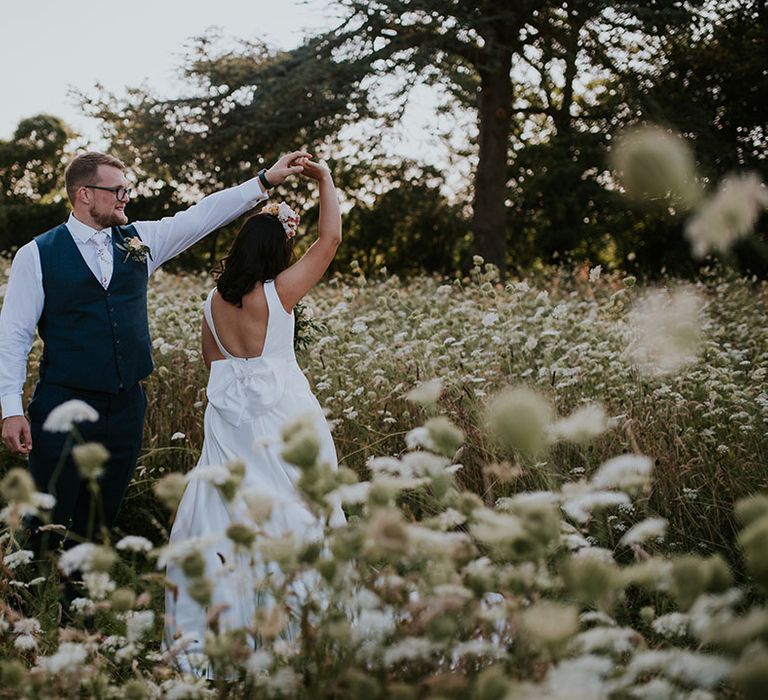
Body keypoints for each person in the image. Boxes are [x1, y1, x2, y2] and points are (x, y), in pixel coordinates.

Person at [0, 150, 309, 561]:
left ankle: (85, 607)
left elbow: (200, 216)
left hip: (127, 405)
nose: (126, 197)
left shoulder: (140, 242)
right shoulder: (36, 255)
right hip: (62, 401)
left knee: (102, 517)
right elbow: (14, 336)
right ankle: (33, 610)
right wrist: (9, 408)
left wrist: (264, 182)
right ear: (84, 195)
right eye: (117, 190)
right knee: (46, 513)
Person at [163, 157, 345, 676]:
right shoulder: (279, 293)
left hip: (231, 422)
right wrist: (326, 180)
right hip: (285, 415)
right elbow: (328, 242)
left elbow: (213, 364)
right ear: (277, 254)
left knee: (228, 514)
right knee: (297, 508)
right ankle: (300, 626)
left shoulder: (210, 304)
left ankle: (222, 629)